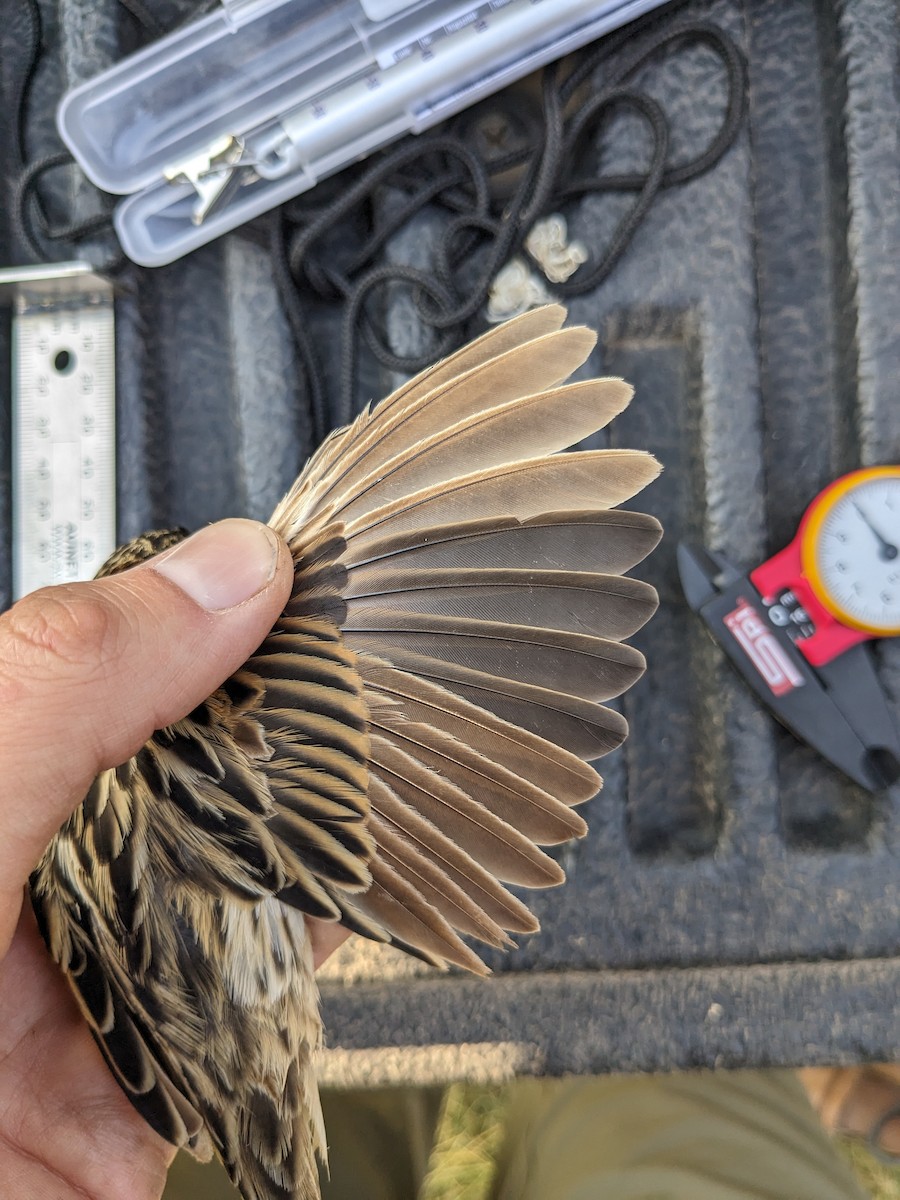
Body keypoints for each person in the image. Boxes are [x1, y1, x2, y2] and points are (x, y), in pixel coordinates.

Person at [0, 518, 885, 1200]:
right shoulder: (168, 760)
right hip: (143, 1078)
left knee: (394, 1074)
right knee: (680, 1094)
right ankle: (726, 1067)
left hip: (138, 1098)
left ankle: (713, 1065)